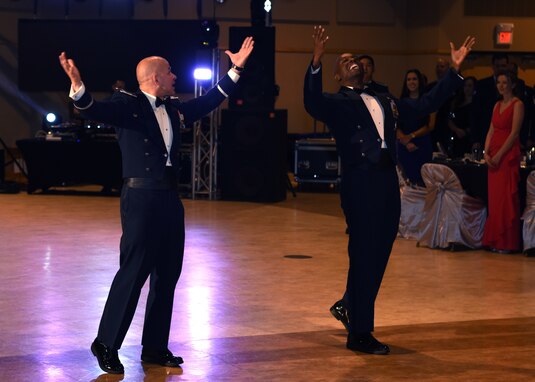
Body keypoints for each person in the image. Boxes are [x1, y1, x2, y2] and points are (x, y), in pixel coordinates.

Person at [58, 36, 254, 374]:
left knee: (167, 275)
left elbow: (210, 100)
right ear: (155, 78)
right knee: (133, 272)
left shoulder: (175, 107)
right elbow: (93, 108)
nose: (175, 76)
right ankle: (106, 343)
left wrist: (236, 68)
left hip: (169, 198)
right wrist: (78, 86)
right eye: (170, 72)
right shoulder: (127, 104)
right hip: (140, 197)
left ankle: (154, 347)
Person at [304, 25, 474, 355]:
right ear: (338, 75)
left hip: (386, 182)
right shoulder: (337, 103)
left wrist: (454, 72)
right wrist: (316, 61)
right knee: (363, 254)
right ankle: (360, 334)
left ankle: (351, 305)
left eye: (355, 58)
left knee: (378, 254)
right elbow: (311, 102)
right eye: (345, 60)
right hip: (360, 182)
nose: (352, 61)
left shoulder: (385, 98)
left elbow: (424, 105)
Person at [483, 70, 524, 253]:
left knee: (506, 198)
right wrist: (486, 152)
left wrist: (499, 155)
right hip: (494, 154)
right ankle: (495, 240)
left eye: (504, 82)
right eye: (498, 82)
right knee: (495, 199)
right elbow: (491, 130)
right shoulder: (496, 105)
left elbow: (515, 132)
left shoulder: (518, 104)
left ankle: (506, 242)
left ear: (512, 84)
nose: (501, 85)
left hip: (507, 155)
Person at [396, 69, 436, 185]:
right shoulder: (400, 103)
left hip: (422, 144)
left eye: (414, 79)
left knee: (423, 182)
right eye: (408, 79)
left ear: (420, 81)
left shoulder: (428, 101)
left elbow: (430, 125)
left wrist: (412, 136)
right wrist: (406, 141)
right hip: (404, 145)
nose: (411, 82)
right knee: (407, 182)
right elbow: (395, 126)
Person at [471, 53, 509, 150]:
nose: (500, 68)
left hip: (507, 134)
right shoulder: (482, 85)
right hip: (485, 131)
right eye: (497, 66)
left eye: (503, 66)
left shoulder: (514, 85)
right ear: (493, 66)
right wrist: (475, 139)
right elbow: (475, 113)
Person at [447, 76, 476, 158]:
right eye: (465, 85)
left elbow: (478, 122)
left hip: (470, 138)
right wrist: (456, 129)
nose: (467, 88)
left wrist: (466, 131)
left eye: (470, 86)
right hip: (456, 136)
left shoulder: (477, 104)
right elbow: (449, 118)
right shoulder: (456, 102)